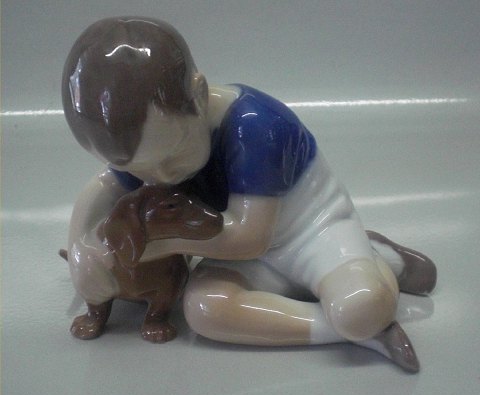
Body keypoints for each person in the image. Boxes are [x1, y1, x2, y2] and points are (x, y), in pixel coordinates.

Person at [62, 17, 436, 372]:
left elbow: (250, 237)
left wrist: (146, 248)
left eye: (173, 156)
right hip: (240, 257)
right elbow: (102, 188)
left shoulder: (257, 126)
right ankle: (349, 332)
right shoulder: (152, 152)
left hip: (311, 234)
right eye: (140, 170)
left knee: (360, 308)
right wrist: (80, 251)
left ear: (198, 95)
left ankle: (374, 261)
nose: (160, 178)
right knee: (204, 310)